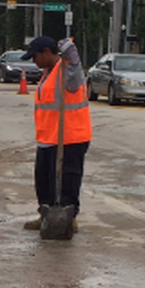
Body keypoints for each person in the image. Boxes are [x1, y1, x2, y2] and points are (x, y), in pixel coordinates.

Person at [21, 36, 92, 232]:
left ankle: (69, 218)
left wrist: (70, 50)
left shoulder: (67, 71)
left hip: (69, 136)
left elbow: (75, 69)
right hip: (48, 137)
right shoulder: (48, 72)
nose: (34, 62)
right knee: (44, 180)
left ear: (46, 52)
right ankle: (46, 215)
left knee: (67, 181)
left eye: (35, 57)